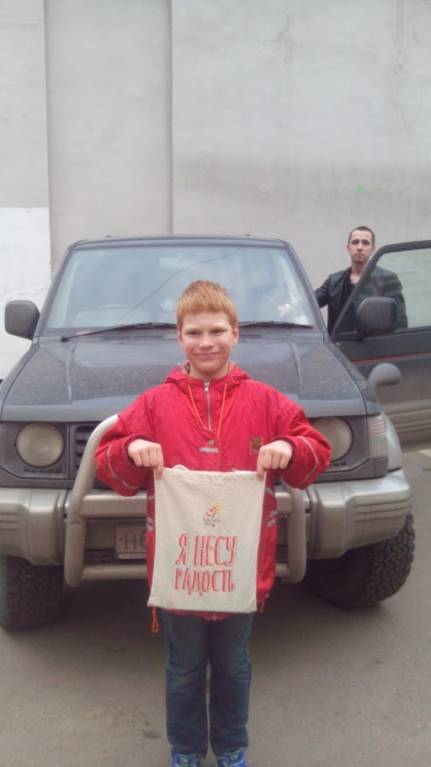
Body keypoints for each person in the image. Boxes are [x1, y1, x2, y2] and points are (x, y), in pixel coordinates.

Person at [95, 280, 331, 767]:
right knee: (183, 667)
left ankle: (230, 746)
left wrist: (289, 447)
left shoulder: (266, 401)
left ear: (235, 333)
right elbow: (109, 465)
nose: (207, 342)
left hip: (241, 569)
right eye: (195, 332)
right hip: (180, 570)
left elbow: (315, 451)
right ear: (179, 338)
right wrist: (131, 448)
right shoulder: (153, 404)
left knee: (233, 664)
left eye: (217, 331)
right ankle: (185, 749)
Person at [315, 226, 407, 332]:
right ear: (348, 248)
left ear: (372, 249)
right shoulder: (333, 281)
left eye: (365, 243)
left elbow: (400, 322)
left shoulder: (387, 279)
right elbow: (309, 303)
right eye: (355, 242)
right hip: (339, 341)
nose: (359, 247)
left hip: (374, 341)